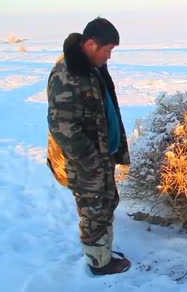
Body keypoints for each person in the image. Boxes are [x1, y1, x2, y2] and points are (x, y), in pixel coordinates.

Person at [46, 17, 131, 275]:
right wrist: (93, 162)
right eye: (108, 50)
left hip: (100, 156)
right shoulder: (67, 74)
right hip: (84, 163)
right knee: (95, 211)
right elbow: (63, 127)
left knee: (106, 203)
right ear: (92, 44)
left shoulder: (90, 66)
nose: (109, 57)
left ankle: (101, 251)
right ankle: (99, 264)